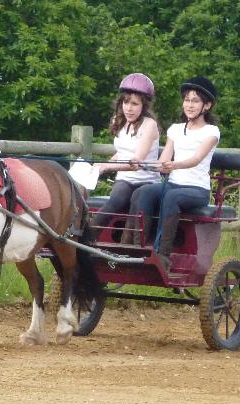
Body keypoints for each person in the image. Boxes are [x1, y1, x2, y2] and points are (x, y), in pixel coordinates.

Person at [128, 75, 220, 272]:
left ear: (207, 105)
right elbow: (163, 161)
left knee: (171, 197)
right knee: (142, 192)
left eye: (195, 101)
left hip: (196, 190)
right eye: (187, 100)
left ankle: (162, 255)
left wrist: (174, 165)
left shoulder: (211, 132)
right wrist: (141, 163)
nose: (189, 105)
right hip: (173, 184)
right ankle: (139, 248)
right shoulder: (175, 129)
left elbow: (196, 159)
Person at [88, 72, 161, 242]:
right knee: (116, 200)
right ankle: (86, 241)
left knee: (137, 199)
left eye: (135, 104)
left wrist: (106, 167)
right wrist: (100, 165)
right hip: (125, 178)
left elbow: (136, 162)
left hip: (146, 179)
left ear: (144, 106)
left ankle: (131, 246)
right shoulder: (118, 121)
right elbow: (121, 152)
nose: (129, 108)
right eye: (125, 102)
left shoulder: (149, 125)